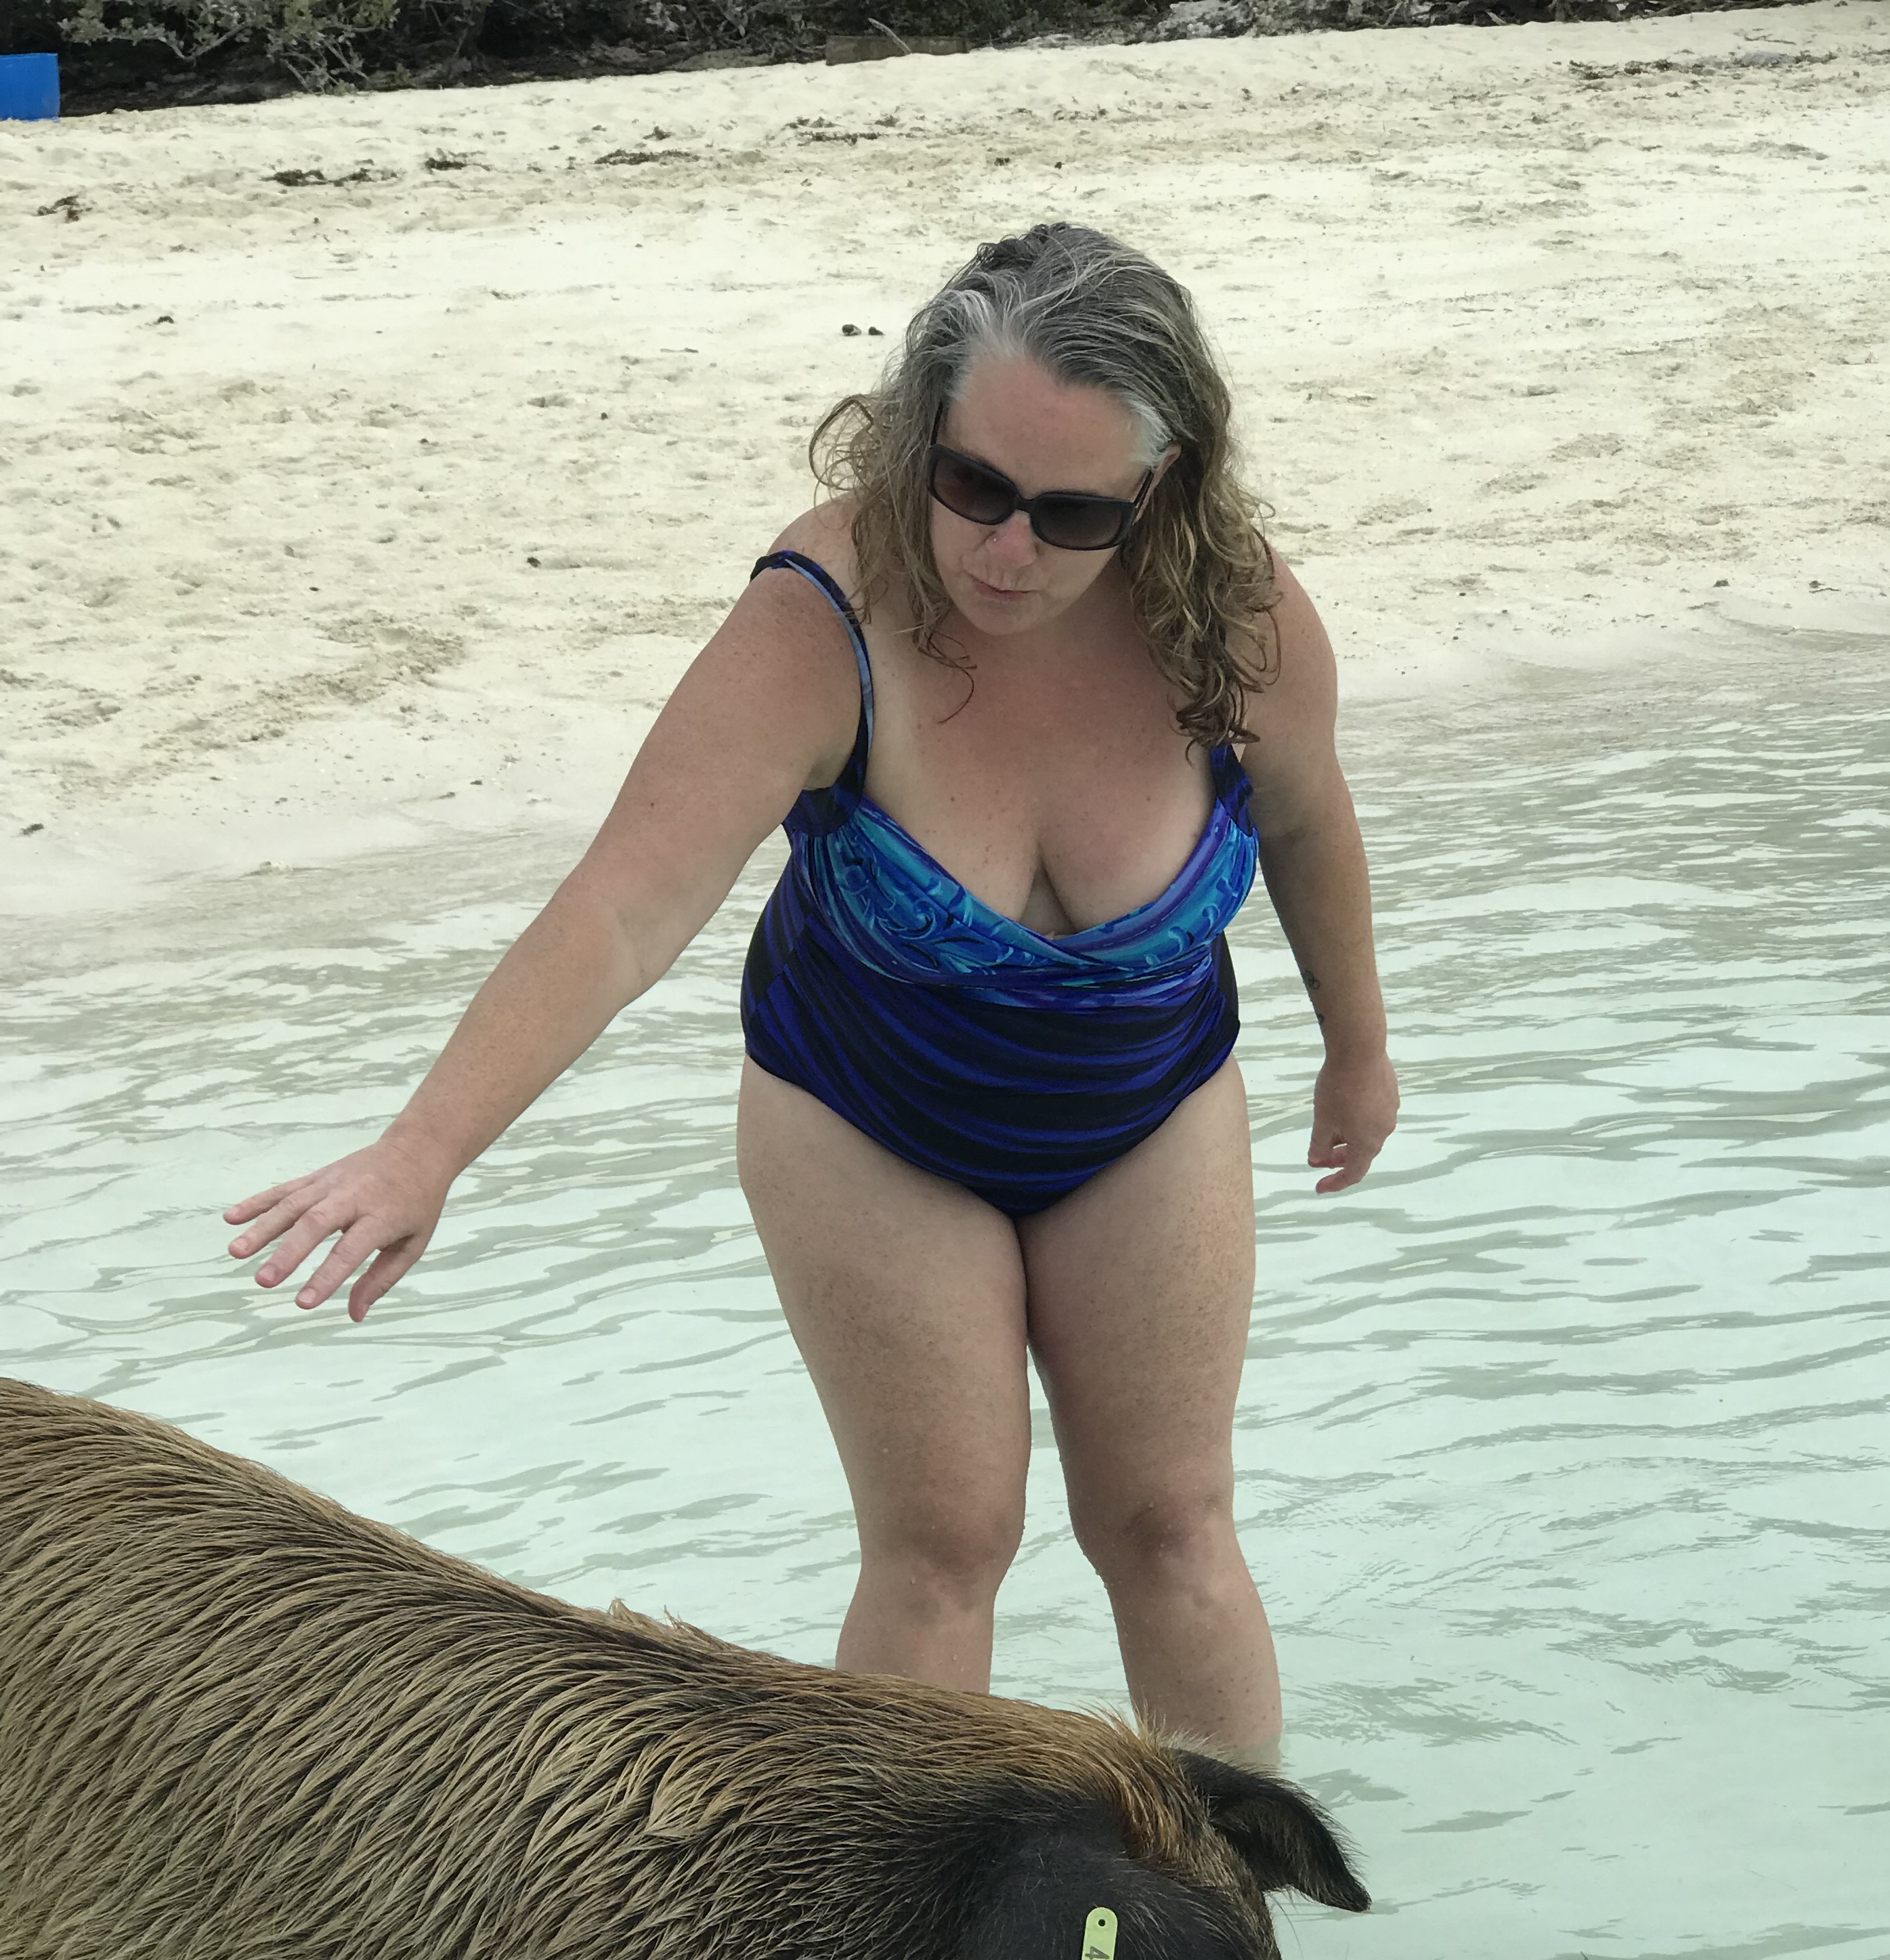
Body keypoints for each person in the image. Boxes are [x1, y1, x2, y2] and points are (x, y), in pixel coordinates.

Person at [224, 223, 1395, 1762]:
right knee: (944, 1543)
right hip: (865, 1119)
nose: (1006, 551)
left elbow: (1308, 821)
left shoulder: (1237, 622)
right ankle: (889, 1916)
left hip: (1147, 1109)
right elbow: (627, 905)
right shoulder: (821, 620)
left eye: (1071, 515)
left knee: (1171, 1525)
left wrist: (1358, 1050)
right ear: (919, 432)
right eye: (971, 485)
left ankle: (1240, 1899)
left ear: (1158, 490)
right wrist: (422, 1150)